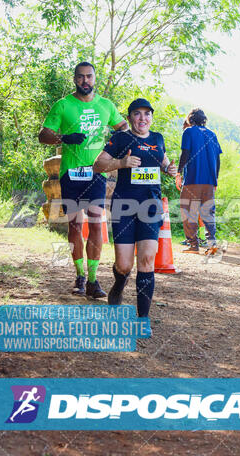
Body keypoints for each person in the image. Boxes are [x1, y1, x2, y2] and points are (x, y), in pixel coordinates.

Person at [39, 62, 128, 297]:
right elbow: (43, 135)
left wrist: (113, 146)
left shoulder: (105, 105)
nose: (85, 81)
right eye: (80, 77)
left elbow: (123, 127)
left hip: (96, 172)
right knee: (76, 225)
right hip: (71, 173)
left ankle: (93, 279)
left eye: (89, 77)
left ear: (95, 79)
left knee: (97, 223)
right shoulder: (64, 105)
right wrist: (64, 137)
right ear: (75, 79)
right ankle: (79, 275)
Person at [93, 98, 177, 320]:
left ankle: (143, 318)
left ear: (151, 117)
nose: (143, 118)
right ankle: (120, 282)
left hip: (151, 206)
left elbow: (164, 162)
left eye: (147, 114)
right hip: (124, 206)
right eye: (137, 114)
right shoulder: (121, 138)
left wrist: (170, 168)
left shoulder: (158, 138)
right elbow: (98, 165)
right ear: (130, 117)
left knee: (147, 260)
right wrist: (121, 163)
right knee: (124, 265)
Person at [176, 108, 222, 255]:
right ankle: (212, 245)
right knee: (208, 212)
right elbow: (218, 159)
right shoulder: (212, 134)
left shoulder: (188, 132)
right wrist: (215, 180)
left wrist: (178, 172)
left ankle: (193, 245)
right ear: (204, 120)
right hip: (209, 181)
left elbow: (185, 153)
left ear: (190, 119)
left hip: (192, 180)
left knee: (189, 212)